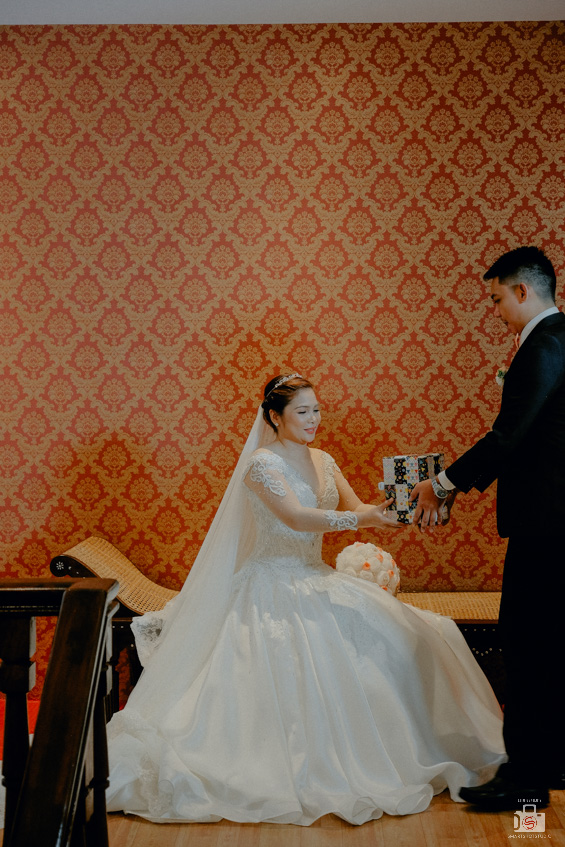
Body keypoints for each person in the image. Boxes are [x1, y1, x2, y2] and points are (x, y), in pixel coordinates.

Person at [105, 374, 505, 825]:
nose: (313, 419)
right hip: (270, 583)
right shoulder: (261, 464)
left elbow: (357, 506)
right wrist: (365, 521)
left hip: (317, 575)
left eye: (316, 410)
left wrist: (393, 511)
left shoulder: (324, 459)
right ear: (275, 417)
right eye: (302, 412)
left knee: (413, 634)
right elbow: (296, 518)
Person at [411, 246, 565, 811]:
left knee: (525, 643)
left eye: (498, 299)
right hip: (554, 522)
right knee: (550, 644)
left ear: (523, 291)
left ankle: (524, 783)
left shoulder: (543, 345)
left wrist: (442, 484)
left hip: (546, 525)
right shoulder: (557, 339)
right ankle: (550, 762)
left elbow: (509, 436)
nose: (496, 311)